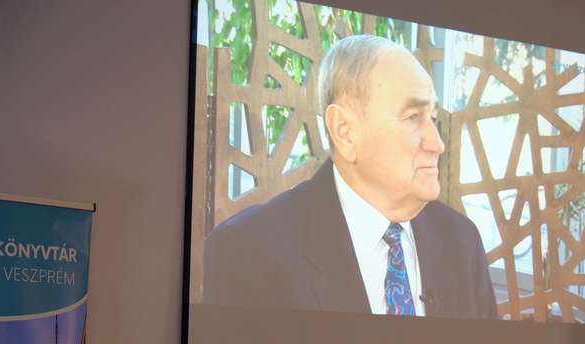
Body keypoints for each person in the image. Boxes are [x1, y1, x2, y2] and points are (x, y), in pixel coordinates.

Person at [203, 34, 497, 319]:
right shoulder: (249, 253)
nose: (437, 144)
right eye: (413, 117)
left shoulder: (461, 242)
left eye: (432, 117)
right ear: (345, 131)